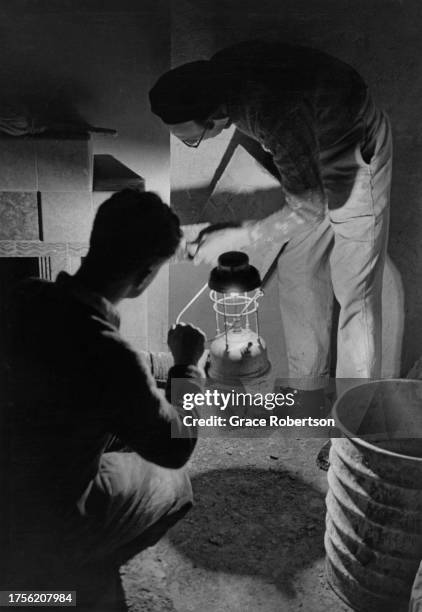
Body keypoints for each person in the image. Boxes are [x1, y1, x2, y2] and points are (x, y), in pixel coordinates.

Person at [149, 40, 392, 397]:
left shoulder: (271, 110)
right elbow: (301, 183)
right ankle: (309, 392)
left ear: (214, 117)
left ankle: (350, 434)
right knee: (299, 274)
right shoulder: (218, 74)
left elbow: (308, 207)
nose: (193, 143)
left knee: (356, 293)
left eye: (193, 140)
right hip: (307, 145)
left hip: (351, 148)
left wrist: (241, 235)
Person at [2, 189, 205, 608]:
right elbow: (176, 448)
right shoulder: (111, 358)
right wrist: (187, 368)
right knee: (175, 483)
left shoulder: (22, 297)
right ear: (147, 273)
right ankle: (69, 578)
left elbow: (76, 382)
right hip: (48, 518)